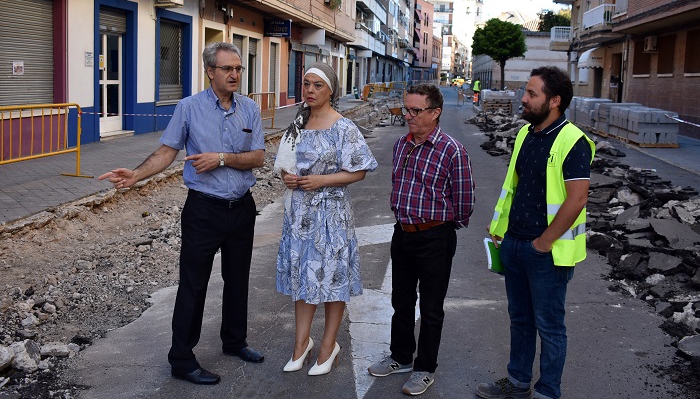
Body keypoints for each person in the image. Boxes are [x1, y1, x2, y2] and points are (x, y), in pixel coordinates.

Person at [98, 42, 266, 386]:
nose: (235, 74)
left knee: (238, 280)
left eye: (238, 69)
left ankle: (234, 342)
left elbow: (258, 157)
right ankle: (182, 359)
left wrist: (221, 158)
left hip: (242, 208)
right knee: (193, 285)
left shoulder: (249, 108)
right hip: (203, 210)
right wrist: (136, 174)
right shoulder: (188, 108)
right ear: (210, 72)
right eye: (227, 69)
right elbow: (166, 151)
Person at [476, 67, 595, 399]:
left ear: (554, 101)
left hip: (548, 252)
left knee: (550, 327)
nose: (523, 99)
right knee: (520, 320)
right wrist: (504, 233)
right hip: (514, 243)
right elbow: (515, 188)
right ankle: (517, 383)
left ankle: (547, 392)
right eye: (525, 93)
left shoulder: (573, 141)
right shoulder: (527, 133)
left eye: (531, 94)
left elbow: (577, 199)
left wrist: (543, 243)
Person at [368, 83, 475, 396]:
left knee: (430, 308)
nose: (408, 115)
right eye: (406, 109)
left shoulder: (452, 150)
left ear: (435, 112)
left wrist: (438, 227)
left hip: (435, 237)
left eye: (416, 111)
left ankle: (424, 368)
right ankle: (400, 356)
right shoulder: (402, 144)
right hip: (402, 233)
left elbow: (464, 201)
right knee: (400, 300)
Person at [274, 62, 377, 376]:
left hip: (332, 217)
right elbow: (283, 166)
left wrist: (322, 181)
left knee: (333, 282)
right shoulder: (297, 124)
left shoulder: (344, 127)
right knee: (303, 282)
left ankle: (328, 345)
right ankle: (300, 344)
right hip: (300, 217)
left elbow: (359, 170)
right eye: (306, 84)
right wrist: (288, 178)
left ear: (331, 89)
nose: (310, 90)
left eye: (317, 85)